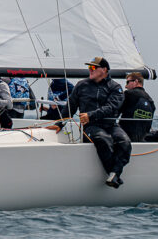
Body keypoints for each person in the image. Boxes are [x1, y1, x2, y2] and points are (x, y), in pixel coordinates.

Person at [53, 56, 131, 189]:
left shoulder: (115, 87)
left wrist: (90, 115)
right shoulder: (82, 85)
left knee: (125, 141)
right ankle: (113, 175)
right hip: (91, 127)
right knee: (103, 139)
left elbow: (112, 107)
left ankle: (114, 174)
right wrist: (59, 123)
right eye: (89, 67)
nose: (90, 70)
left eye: (93, 67)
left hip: (110, 124)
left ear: (104, 70)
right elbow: (70, 106)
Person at [118, 71, 155, 142]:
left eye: (127, 82)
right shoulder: (151, 101)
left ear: (136, 81)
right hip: (142, 141)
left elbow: (114, 112)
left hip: (125, 140)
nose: (126, 86)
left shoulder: (128, 94)